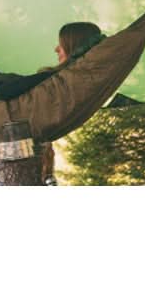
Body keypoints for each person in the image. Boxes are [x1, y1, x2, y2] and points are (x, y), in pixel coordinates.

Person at [40, 22, 103, 184]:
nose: (56, 49)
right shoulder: (72, 78)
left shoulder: (61, 81)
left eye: (61, 44)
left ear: (74, 47)